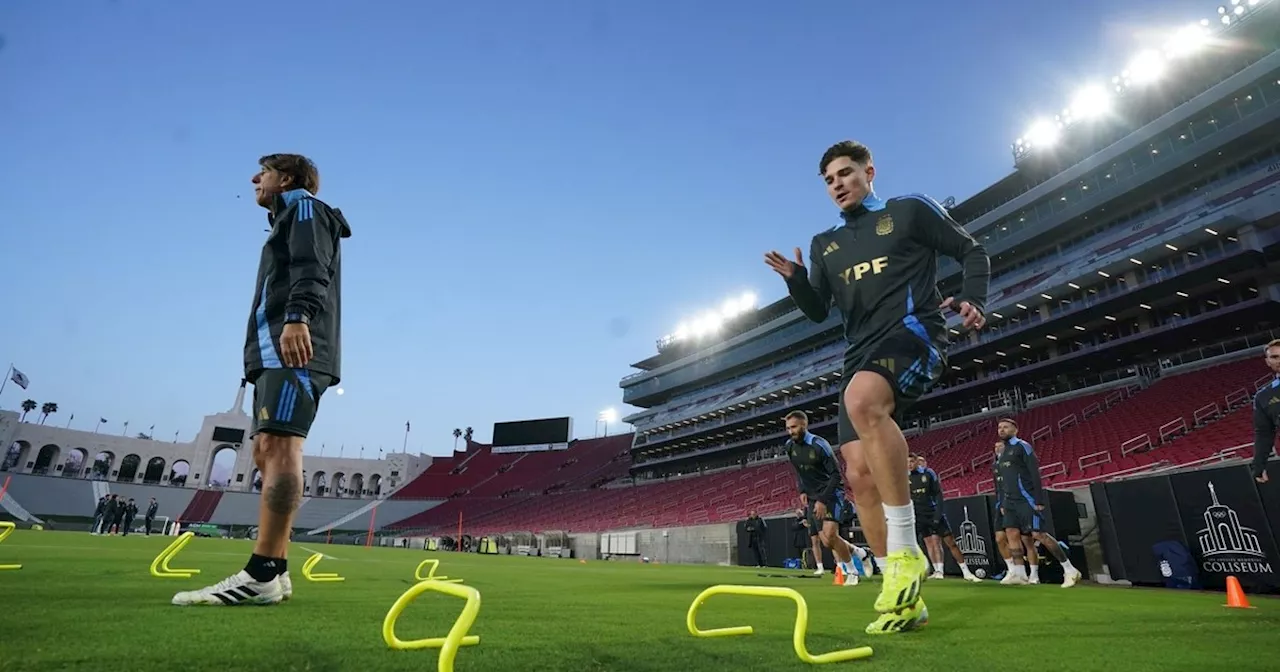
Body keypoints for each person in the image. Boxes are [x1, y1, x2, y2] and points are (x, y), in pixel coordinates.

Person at [765, 141, 990, 634]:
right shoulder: (826, 244)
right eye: (828, 180)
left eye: (845, 173)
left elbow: (971, 250)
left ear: (869, 172)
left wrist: (973, 297)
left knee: (862, 400)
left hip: (915, 335)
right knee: (859, 473)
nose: (837, 184)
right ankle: (900, 592)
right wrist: (797, 280)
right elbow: (819, 310)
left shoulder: (907, 211)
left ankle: (908, 551)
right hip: (859, 354)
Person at [173, 154, 352, 607]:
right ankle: (279, 568)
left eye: (264, 172)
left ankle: (262, 572)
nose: (255, 179)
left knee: (280, 447)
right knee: (265, 448)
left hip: (292, 344)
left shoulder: (306, 208)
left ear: (286, 179)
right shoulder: (289, 216)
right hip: (275, 347)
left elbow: (313, 266)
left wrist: (297, 318)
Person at [783, 410, 871, 585]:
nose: (790, 431)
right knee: (826, 541)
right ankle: (861, 553)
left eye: (793, 427)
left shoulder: (819, 445)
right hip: (813, 496)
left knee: (830, 534)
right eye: (787, 428)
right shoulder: (789, 447)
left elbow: (836, 475)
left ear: (803, 425)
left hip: (831, 493)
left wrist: (823, 500)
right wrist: (802, 490)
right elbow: (799, 471)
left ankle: (852, 572)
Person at [994, 419, 1081, 588]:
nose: (1002, 430)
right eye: (999, 427)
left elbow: (1034, 472)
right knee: (1011, 533)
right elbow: (1004, 481)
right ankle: (1019, 573)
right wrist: (1004, 502)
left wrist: (1038, 499)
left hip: (1026, 499)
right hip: (1009, 501)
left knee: (1038, 535)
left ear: (1015, 429)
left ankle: (1070, 569)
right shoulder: (1004, 452)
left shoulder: (1022, 446)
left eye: (1005, 427)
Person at [909, 455, 980, 582]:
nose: (909, 464)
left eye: (911, 461)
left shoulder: (928, 473)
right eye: (907, 462)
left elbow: (938, 494)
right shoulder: (905, 478)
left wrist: (938, 515)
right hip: (918, 516)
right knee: (925, 543)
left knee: (951, 542)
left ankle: (966, 572)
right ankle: (937, 570)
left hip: (932, 513)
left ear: (916, 462)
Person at [1250, 339, 1280, 483]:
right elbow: (1264, 433)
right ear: (1268, 361)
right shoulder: (1263, 396)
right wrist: (1259, 465)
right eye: (1275, 357)